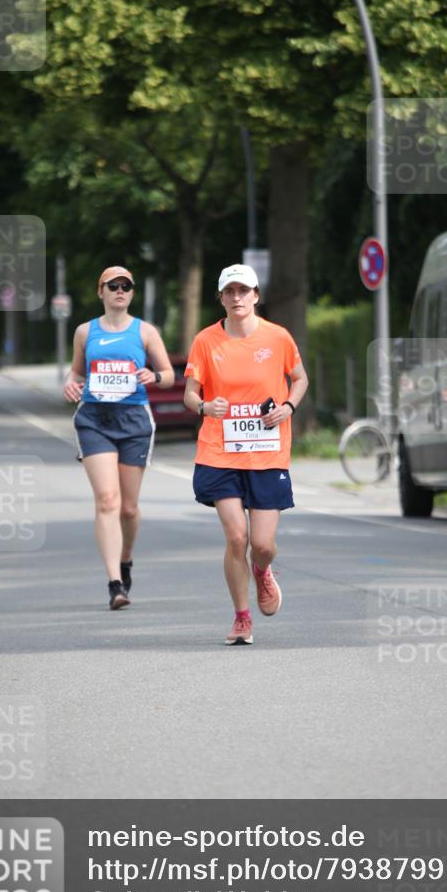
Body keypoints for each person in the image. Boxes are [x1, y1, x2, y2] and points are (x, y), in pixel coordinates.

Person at [183, 263, 309, 646]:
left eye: (244, 291)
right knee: (237, 538)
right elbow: (190, 394)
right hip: (220, 451)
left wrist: (288, 406)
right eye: (229, 292)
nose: (237, 298)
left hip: (267, 453)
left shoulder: (278, 337)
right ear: (220, 298)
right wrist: (206, 407)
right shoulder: (206, 340)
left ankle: (262, 570)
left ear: (256, 295)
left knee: (263, 545)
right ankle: (241, 617)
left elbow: (300, 378)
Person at [63, 265, 175, 611]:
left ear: (132, 292)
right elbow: (76, 371)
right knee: (107, 500)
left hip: (133, 421)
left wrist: (153, 375)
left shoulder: (145, 332)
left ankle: (126, 558)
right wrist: (70, 382)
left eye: (126, 285)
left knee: (128, 507)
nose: (120, 290)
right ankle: (114, 584)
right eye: (113, 285)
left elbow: (170, 376)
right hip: (95, 419)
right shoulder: (86, 332)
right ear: (101, 291)